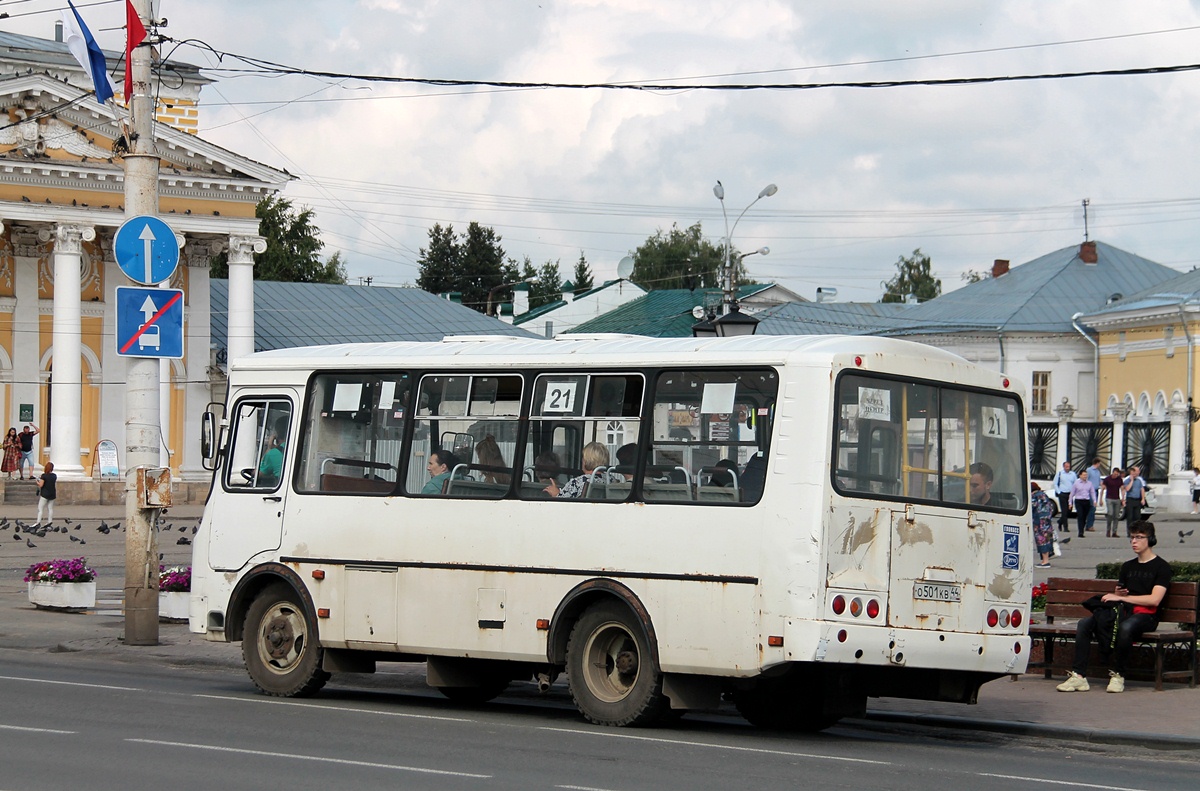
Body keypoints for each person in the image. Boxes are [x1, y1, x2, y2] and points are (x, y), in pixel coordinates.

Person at [1057, 520, 1172, 694]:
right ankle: (1079, 676)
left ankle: (1118, 675)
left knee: (1125, 628)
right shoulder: (1128, 566)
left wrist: (1126, 599)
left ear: (1151, 539)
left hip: (1147, 616)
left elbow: (1154, 600)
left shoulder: (1162, 567)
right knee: (1085, 624)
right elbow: (1121, 597)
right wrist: (1119, 596)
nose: (1134, 541)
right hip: (1123, 611)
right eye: (1132, 537)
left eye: (1139, 537)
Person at [258, 415, 289, 486]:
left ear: (277, 433)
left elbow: (258, 474)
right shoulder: (300, 449)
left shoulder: (273, 453)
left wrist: (269, 448)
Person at [1031, 482, 1055, 568]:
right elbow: (1051, 508)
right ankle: (1045, 560)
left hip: (1039, 522)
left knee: (1041, 540)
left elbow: (1032, 507)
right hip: (1047, 521)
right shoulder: (1044, 495)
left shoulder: (1034, 497)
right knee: (1047, 539)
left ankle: (1045, 562)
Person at [1052, 461, 1077, 536]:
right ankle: (1065, 527)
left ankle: (1060, 521)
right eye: (1066, 466)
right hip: (1062, 493)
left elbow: (1075, 483)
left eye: (1068, 466)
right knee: (1064, 510)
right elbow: (1055, 483)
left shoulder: (1073, 474)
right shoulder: (1060, 474)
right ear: (1063, 467)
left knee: (1069, 510)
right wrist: (1059, 492)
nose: (1067, 468)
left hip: (1070, 494)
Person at [1099, 466, 1125, 538]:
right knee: (1110, 513)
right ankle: (1108, 530)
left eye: (1117, 474)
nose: (1116, 475)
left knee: (1116, 516)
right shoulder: (1107, 479)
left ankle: (1114, 532)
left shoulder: (1119, 480)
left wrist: (1123, 498)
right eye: (1115, 474)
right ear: (1112, 473)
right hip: (1109, 498)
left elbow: (1122, 489)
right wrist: (1100, 499)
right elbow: (1102, 489)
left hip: (1117, 499)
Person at [1122, 466, 1148, 536]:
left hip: (1137, 500)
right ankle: (1130, 532)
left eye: (1135, 473)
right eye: (1133, 474)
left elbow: (1142, 489)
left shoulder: (1139, 481)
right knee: (1130, 517)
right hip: (1130, 499)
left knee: (1137, 517)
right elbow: (1127, 489)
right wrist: (1132, 481)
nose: (1134, 475)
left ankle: (1136, 531)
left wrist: (1143, 498)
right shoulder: (1127, 480)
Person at [1070, 472, 1096, 538]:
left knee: (1084, 517)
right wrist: (1070, 502)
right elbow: (1072, 493)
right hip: (1079, 501)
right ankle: (1080, 532)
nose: (1085, 476)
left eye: (1086, 475)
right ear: (1080, 475)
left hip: (1086, 501)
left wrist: (1094, 501)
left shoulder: (1089, 483)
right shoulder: (1076, 483)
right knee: (1080, 516)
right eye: (1084, 475)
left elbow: (1092, 492)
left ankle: (1082, 528)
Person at [34, 461, 56, 527]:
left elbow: (41, 485)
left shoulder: (44, 476)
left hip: (45, 494)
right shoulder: (54, 476)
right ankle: (50, 521)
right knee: (50, 508)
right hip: (52, 494)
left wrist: (37, 482)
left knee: (40, 509)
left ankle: (38, 522)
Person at [1084, 458, 1104, 532]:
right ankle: (1089, 525)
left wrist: (1102, 484)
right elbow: (1086, 480)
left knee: (1093, 508)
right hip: (1089, 491)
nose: (1100, 465)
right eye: (1099, 463)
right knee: (1091, 508)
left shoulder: (1098, 472)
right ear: (1097, 463)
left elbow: (1099, 480)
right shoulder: (1089, 470)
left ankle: (1090, 524)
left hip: (1096, 490)